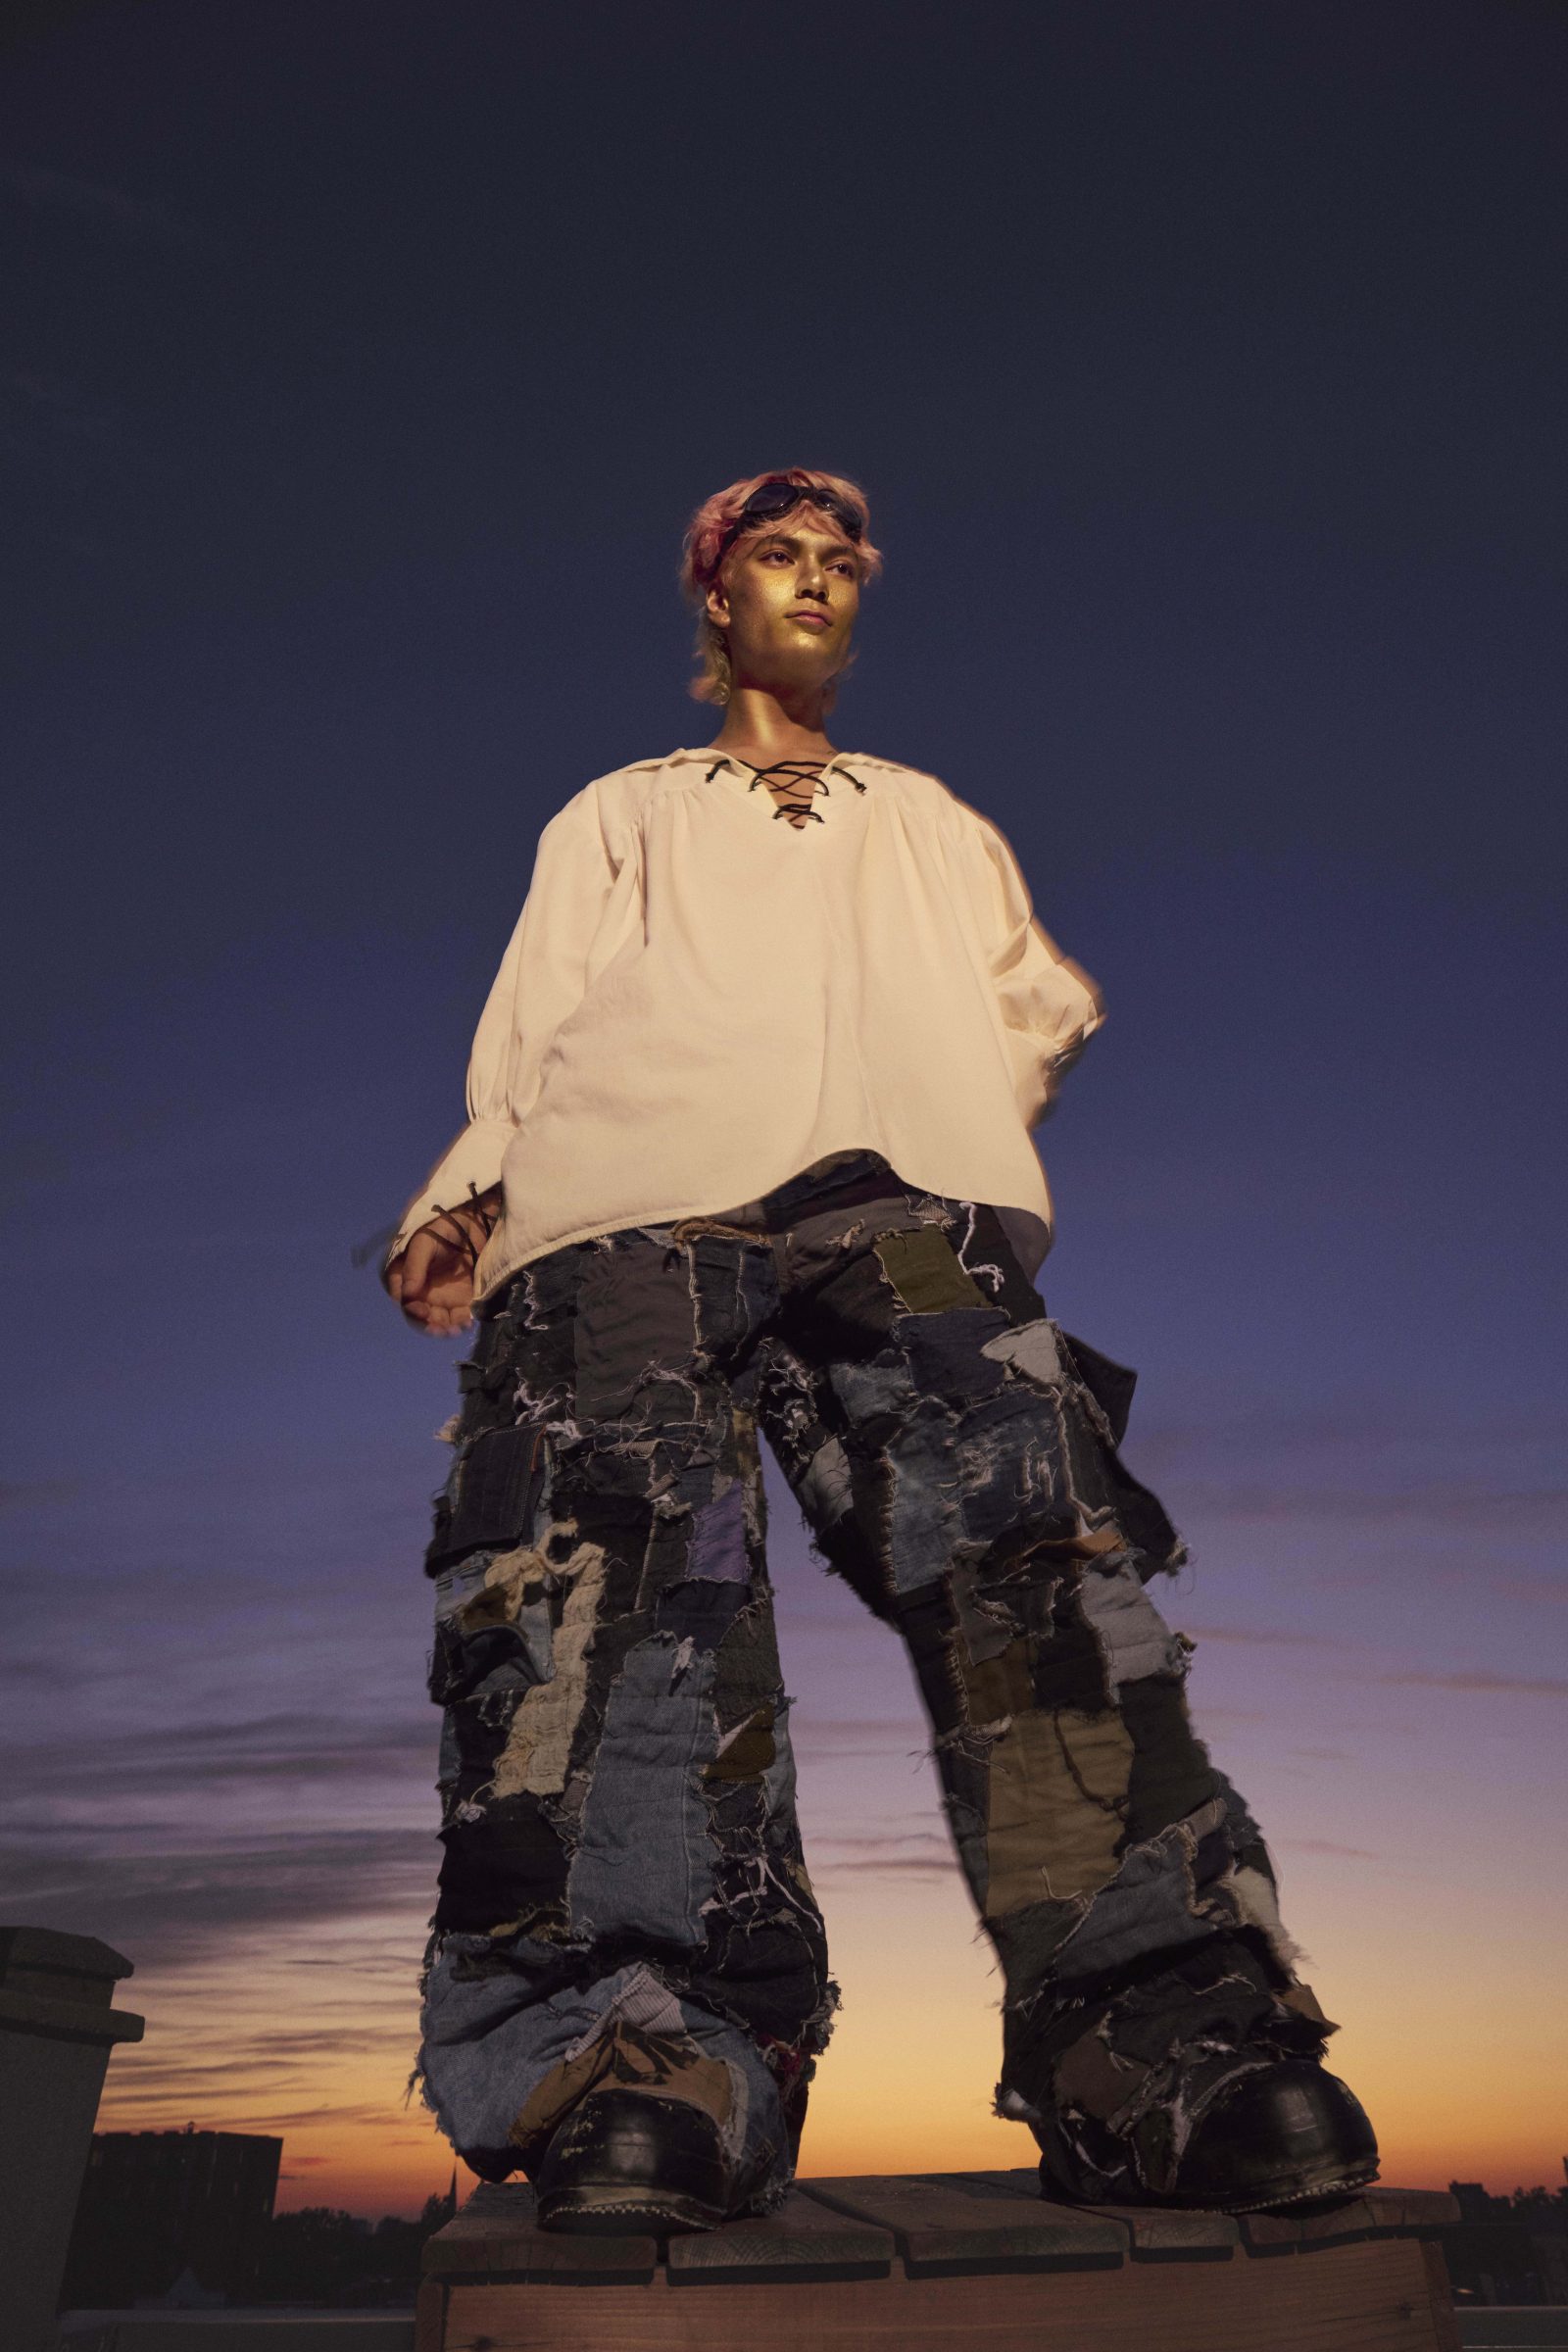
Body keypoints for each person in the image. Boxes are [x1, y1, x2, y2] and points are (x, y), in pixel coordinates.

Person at [382, 466, 1377, 2234]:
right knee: (616, 1584)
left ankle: (1162, 2037)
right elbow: (534, 1028)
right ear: (717, 596)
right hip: (629, 1210)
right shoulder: (620, 809)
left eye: (843, 559)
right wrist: (471, 1188)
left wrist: (938, 1125)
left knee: (1036, 1556)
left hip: (899, 1209)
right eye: (779, 555)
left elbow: (1034, 1010)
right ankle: (648, 2049)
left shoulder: (926, 817)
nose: (818, 580)